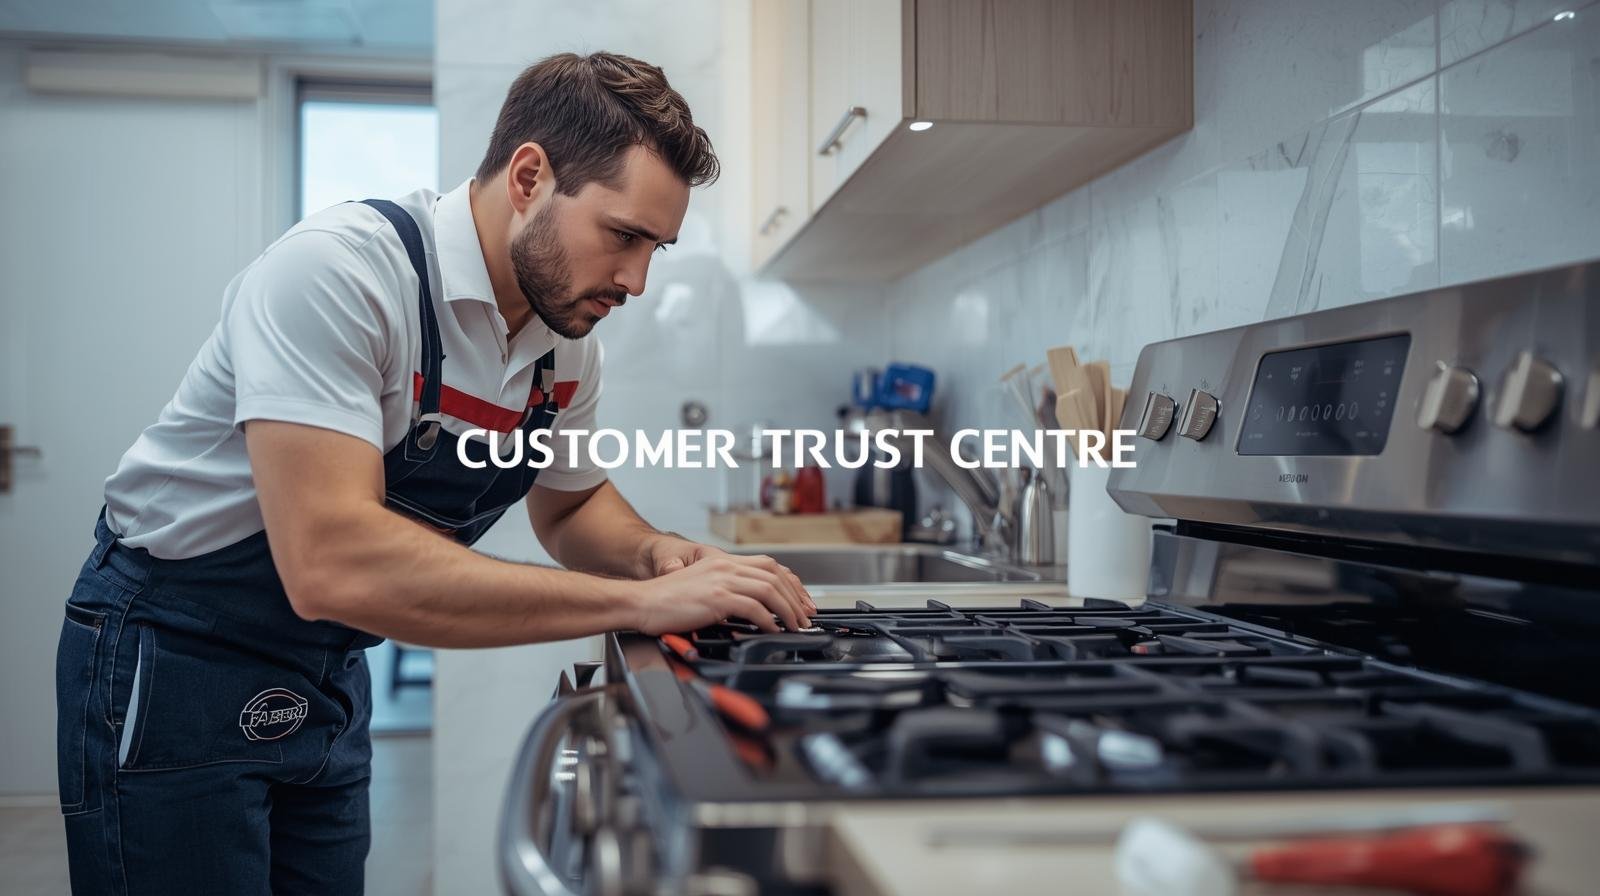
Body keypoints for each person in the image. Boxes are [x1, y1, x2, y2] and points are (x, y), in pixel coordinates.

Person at [54, 51, 813, 894]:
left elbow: (572, 505)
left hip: (329, 670)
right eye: (623, 236)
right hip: (175, 657)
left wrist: (658, 556)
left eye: (656, 247)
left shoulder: (563, 348)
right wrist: (643, 604)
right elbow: (332, 561)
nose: (635, 279)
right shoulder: (340, 274)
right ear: (530, 175)